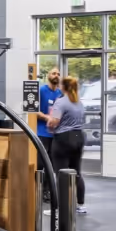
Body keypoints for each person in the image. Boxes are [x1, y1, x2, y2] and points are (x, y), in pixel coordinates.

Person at [46, 74, 87, 215]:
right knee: (76, 172)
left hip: (63, 138)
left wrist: (49, 125)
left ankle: (59, 209)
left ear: (64, 87)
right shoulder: (78, 102)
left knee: (61, 173)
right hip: (79, 137)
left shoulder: (61, 102)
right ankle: (80, 205)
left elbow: (54, 121)